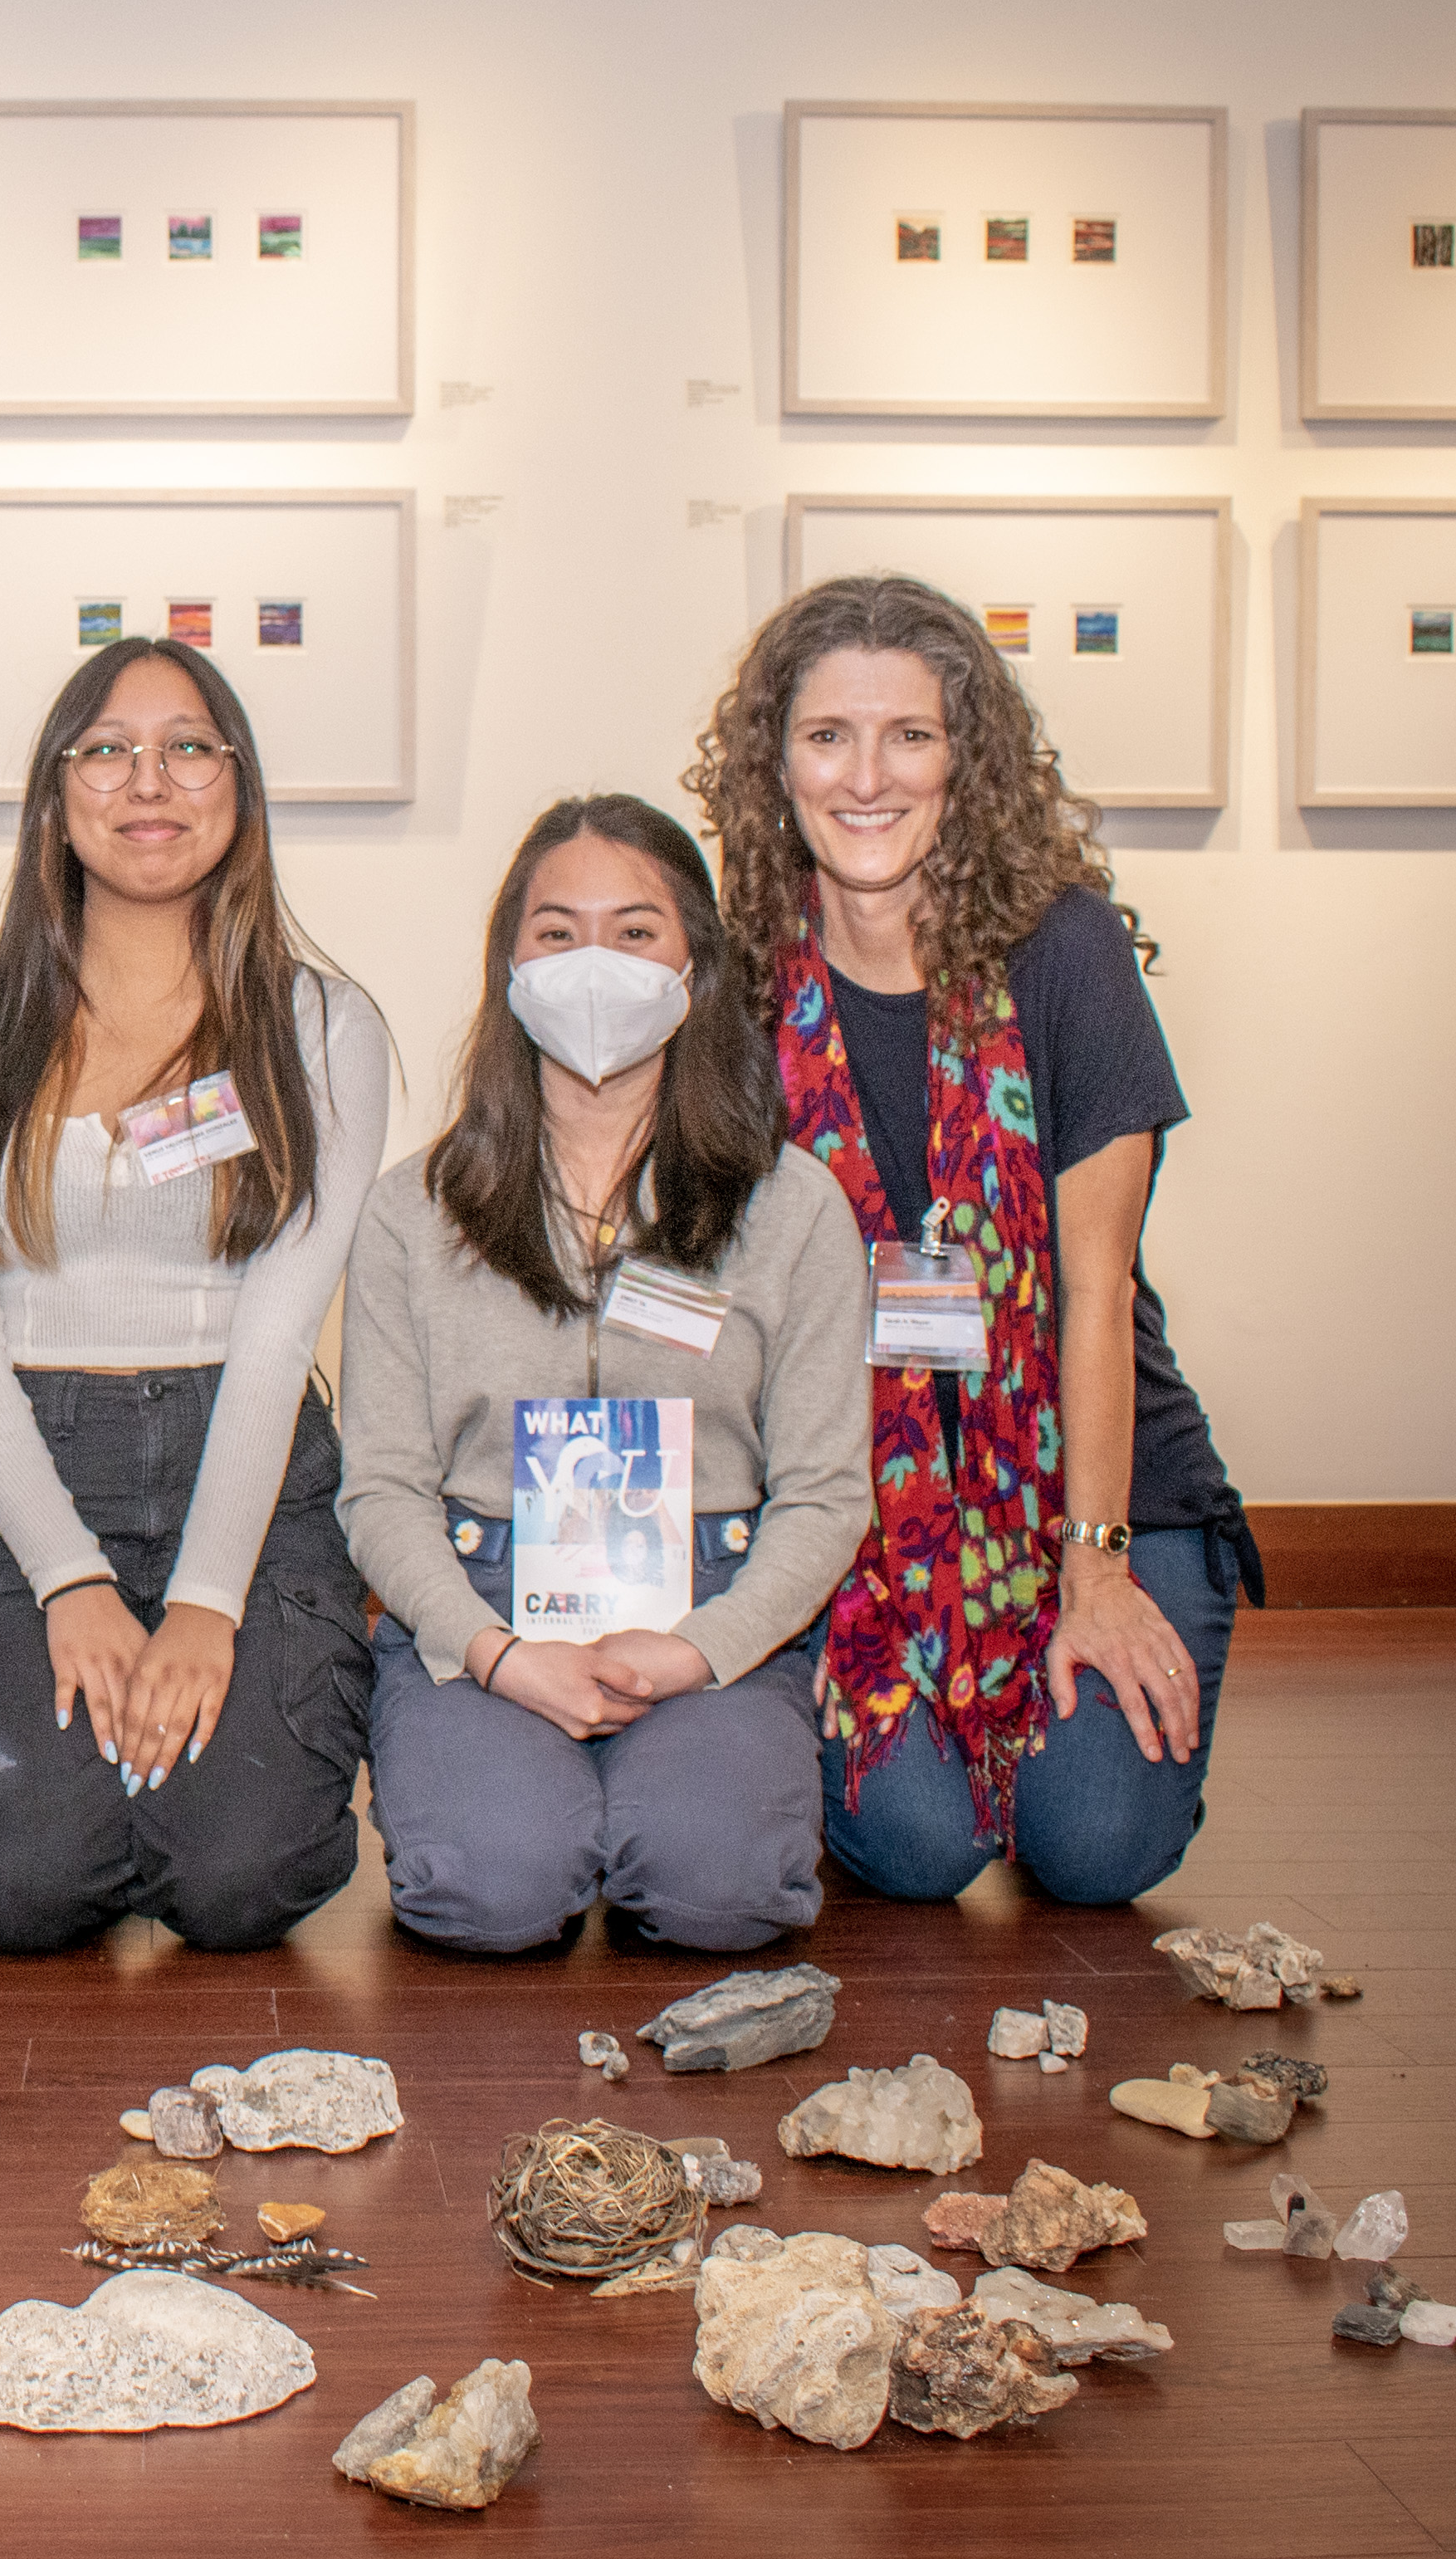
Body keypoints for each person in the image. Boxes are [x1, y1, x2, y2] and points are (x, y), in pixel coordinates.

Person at [686, 573, 1255, 1905]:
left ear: (967, 761)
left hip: (1091, 1478)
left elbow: (1098, 1294)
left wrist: (1095, 1567)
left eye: (911, 736)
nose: (867, 775)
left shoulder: (1066, 951)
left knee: (1096, 1848)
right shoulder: (744, 980)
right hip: (854, 1505)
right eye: (829, 736)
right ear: (776, 762)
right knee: (922, 1847)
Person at [0, 638, 393, 1953]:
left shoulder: (322, 1024)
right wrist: (70, 1582)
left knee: (241, 1883)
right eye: (107, 748)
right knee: (22, 1884)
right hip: (32, 1474)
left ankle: (162, 1797)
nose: (148, 778)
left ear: (239, 787)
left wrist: (211, 1600)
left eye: (189, 746)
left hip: (253, 1461)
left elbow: (282, 1325)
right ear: (57, 795)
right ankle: (103, 1797)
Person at [338, 797, 874, 1951]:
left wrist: (702, 1649)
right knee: (493, 1891)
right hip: (482, 1601)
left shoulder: (794, 1207)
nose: (594, 964)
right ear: (509, 961)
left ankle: (654, 1806)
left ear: (696, 965)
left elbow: (827, 1491)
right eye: (556, 931)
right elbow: (380, 1487)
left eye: (635, 932)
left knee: (717, 1891)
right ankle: (529, 1802)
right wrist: (499, 1656)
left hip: (712, 1600)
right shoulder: (409, 1212)